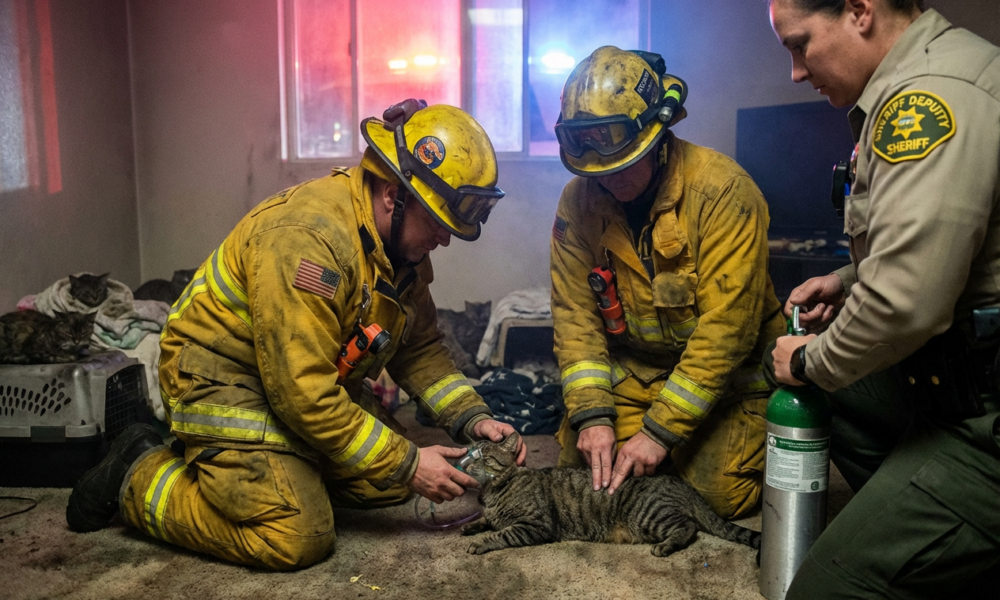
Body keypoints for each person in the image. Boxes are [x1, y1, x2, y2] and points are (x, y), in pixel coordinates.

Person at [65, 100, 527, 571]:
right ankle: (140, 471)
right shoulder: (309, 239)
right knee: (299, 534)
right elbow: (303, 394)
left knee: (383, 481)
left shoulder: (396, 250)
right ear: (394, 194)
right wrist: (409, 463)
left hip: (291, 383)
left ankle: (268, 472)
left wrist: (472, 418)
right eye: (437, 223)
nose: (444, 240)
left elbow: (419, 347)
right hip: (220, 381)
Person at [768, 0, 1000, 597]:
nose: (795, 71)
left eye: (800, 44)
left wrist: (806, 360)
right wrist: (847, 281)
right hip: (952, 375)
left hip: (983, 414)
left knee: (825, 589)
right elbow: (951, 247)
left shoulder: (926, 99)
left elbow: (904, 305)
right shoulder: (927, 71)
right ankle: (929, 532)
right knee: (825, 390)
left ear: (858, 11)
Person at [549, 45, 786, 520]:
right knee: (582, 477)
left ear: (657, 139)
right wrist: (593, 415)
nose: (605, 180)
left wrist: (658, 434)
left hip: (728, 382)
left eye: (618, 165)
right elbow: (575, 319)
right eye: (593, 171)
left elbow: (727, 333)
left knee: (715, 500)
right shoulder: (578, 202)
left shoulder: (723, 191)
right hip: (638, 371)